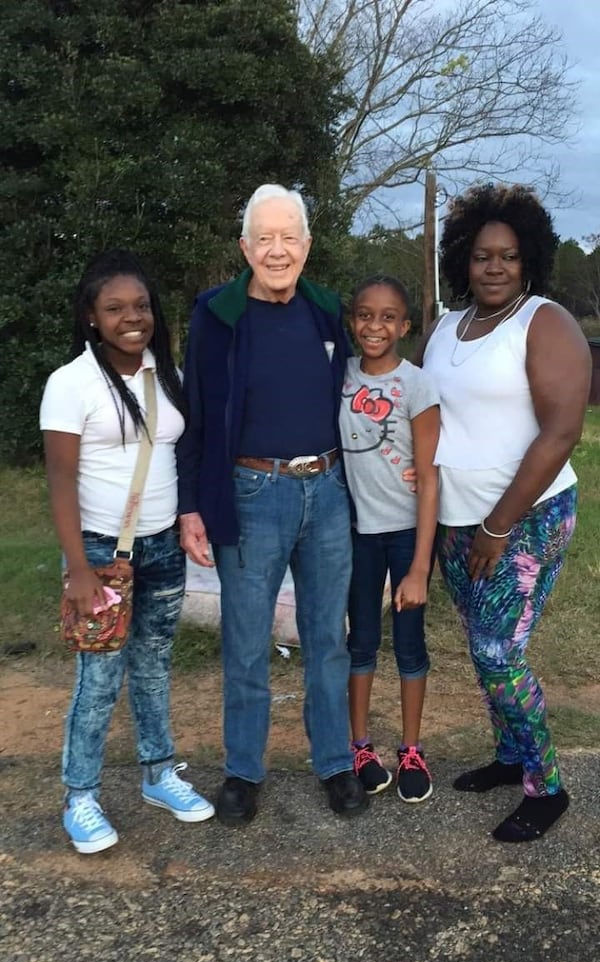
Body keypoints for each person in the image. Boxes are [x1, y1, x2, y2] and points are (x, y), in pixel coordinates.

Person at [177, 184, 368, 825]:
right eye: (265, 238)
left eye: (290, 238)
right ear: (245, 247)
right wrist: (191, 506)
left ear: (308, 247)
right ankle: (243, 771)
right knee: (247, 640)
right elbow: (195, 419)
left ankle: (336, 764)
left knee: (326, 638)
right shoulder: (215, 315)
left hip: (328, 490)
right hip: (252, 493)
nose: (278, 250)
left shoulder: (326, 310)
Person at [415, 183, 591, 842]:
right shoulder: (444, 328)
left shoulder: (544, 322)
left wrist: (498, 525)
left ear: (529, 261)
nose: (494, 267)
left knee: (497, 653)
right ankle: (510, 755)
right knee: (482, 645)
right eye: (483, 255)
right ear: (463, 258)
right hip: (457, 523)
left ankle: (546, 786)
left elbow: (560, 431)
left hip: (526, 518)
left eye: (509, 256)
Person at [40, 249, 215, 854]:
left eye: (140, 306)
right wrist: (78, 571)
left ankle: (159, 773)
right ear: (91, 316)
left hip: (162, 543)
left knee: (154, 664)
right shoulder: (71, 384)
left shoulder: (166, 375)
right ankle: (80, 796)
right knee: (99, 675)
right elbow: (60, 479)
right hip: (98, 552)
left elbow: (179, 452)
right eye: (114, 308)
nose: (131, 317)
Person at [339, 275, 440, 802]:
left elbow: (428, 478)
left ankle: (411, 749)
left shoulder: (417, 385)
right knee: (360, 644)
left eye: (387, 317)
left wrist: (421, 565)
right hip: (355, 535)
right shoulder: (341, 373)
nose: (373, 326)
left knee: (408, 646)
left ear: (404, 325)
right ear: (352, 319)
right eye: (364, 314)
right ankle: (359, 746)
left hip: (404, 537)